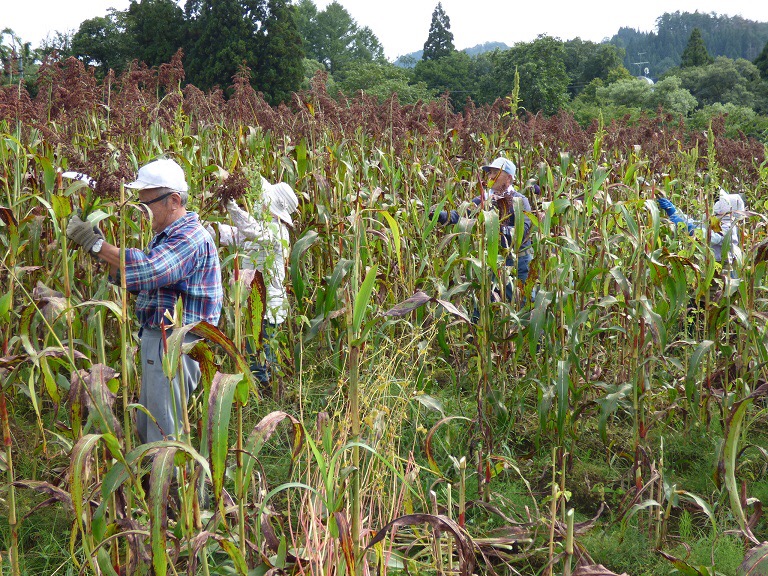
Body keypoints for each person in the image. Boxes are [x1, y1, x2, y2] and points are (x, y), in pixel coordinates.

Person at [66, 157, 223, 444]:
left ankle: (170, 486)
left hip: (175, 345)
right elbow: (145, 283)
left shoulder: (190, 237)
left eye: (146, 204)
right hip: (161, 339)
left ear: (173, 200)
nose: (141, 212)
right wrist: (100, 250)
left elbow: (149, 270)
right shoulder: (165, 236)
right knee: (150, 422)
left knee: (164, 430)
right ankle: (155, 482)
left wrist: (96, 244)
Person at [208, 176, 298, 386]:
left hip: (266, 307)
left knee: (259, 354)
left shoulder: (277, 232)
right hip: (256, 303)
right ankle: (271, 390)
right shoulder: (263, 229)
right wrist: (204, 226)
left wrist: (231, 206)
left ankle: (266, 395)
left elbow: (252, 231)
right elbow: (234, 235)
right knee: (261, 352)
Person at [433, 156, 533, 303]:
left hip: (518, 264)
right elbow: (460, 215)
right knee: (483, 306)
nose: (490, 177)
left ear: (509, 178)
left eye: (495, 173)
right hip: (492, 262)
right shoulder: (484, 199)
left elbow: (522, 231)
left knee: (522, 306)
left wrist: (495, 228)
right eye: (490, 173)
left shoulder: (519, 201)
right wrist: (439, 216)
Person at [657, 188, 745, 267]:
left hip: (723, 267)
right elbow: (696, 223)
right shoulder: (717, 221)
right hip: (712, 263)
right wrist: (674, 212)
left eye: (721, 203)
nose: (717, 204)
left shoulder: (729, 227)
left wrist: (691, 228)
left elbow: (711, 237)